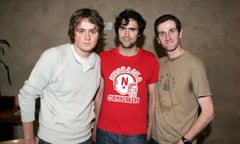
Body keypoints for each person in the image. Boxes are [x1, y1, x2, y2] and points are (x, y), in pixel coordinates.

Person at [18, 8, 104, 144]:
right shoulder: (54, 56)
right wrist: (29, 138)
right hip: (52, 139)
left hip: (84, 138)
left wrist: (94, 130)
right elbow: (27, 94)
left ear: (99, 35)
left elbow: (94, 99)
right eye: (81, 31)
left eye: (92, 31)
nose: (87, 37)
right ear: (73, 33)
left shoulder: (98, 61)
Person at [94, 9, 159, 144]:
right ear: (117, 31)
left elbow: (153, 98)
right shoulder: (103, 57)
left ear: (139, 33)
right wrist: (95, 128)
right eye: (123, 28)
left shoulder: (150, 59)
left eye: (132, 29)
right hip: (105, 132)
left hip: (136, 134)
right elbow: (99, 95)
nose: (127, 34)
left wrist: (150, 128)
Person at [150, 14, 215, 144]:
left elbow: (208, 112)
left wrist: (185, 140)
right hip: (155, 139)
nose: (167, 37)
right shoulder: (158, 64)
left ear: (180, 33)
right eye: (162, 33)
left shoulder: (194, 65)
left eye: (172, 31)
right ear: (158, 39)